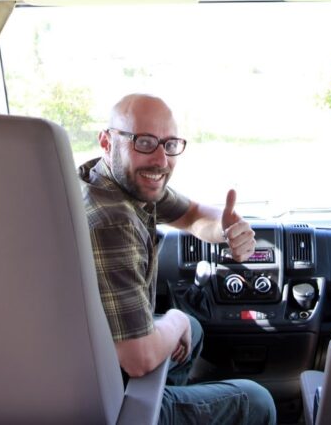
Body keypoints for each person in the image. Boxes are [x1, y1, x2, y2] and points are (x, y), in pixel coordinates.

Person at [79, 93, 278, 425]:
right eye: (143, 142)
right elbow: (139, 359)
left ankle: (163, 401)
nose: (160, 160)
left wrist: (226, 228)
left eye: (170, 145)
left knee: (194, 329)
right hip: (107, 392)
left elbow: (192, 214)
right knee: (256, 401)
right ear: (106, 140)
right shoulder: (113, 222)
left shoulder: (106, 178)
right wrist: (176, 320)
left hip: (92, 353)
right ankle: (154, 412)